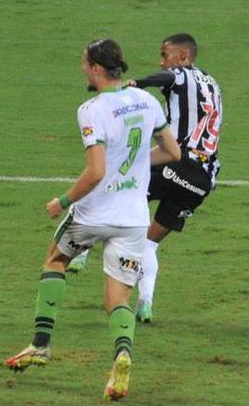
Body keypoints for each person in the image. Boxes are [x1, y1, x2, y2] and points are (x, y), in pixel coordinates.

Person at [4, 39, 180, 401]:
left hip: (92, 214)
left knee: (55, 260)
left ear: (98, 70)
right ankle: (122, 356)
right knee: (117, 298)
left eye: (85, 63)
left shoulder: (91, 109)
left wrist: (63, 200)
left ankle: (40, 344)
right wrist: (134, 165)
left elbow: (96, 171)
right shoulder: (148, 102)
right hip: (133, 219)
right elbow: (172, 151)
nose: (82, 68)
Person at [66, 33, 222, 324]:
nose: (162, 62)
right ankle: (145, 304)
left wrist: (137, 83)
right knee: (148, 243)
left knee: (106, 178)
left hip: (179, 161)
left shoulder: (183, 75)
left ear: (185, 57)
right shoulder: (211, 83)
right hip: (202, 179)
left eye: (166, 55)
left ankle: (78, 252)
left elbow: (168, 78)